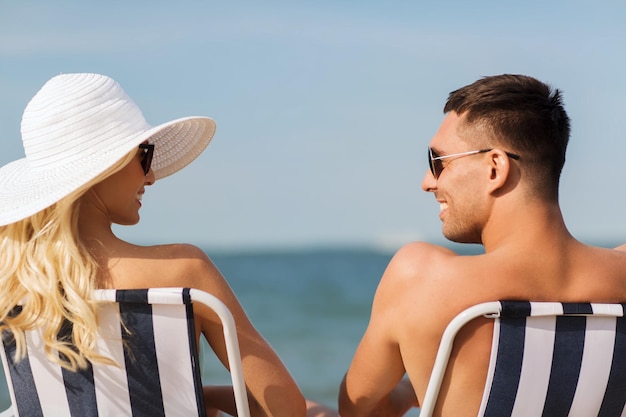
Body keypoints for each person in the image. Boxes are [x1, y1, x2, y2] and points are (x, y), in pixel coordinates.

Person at [0, 73, 335, 417]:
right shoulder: (184, 270)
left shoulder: (10, 285)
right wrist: (203, 398)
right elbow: (284, 407)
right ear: (104, 168)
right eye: (144, 156)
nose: (151, 176)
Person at [337, 74, 626, 417]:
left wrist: (406, 395)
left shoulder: (421, 277)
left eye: (438, 162)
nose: (428, 182)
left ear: (495, 168)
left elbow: (358, 408)